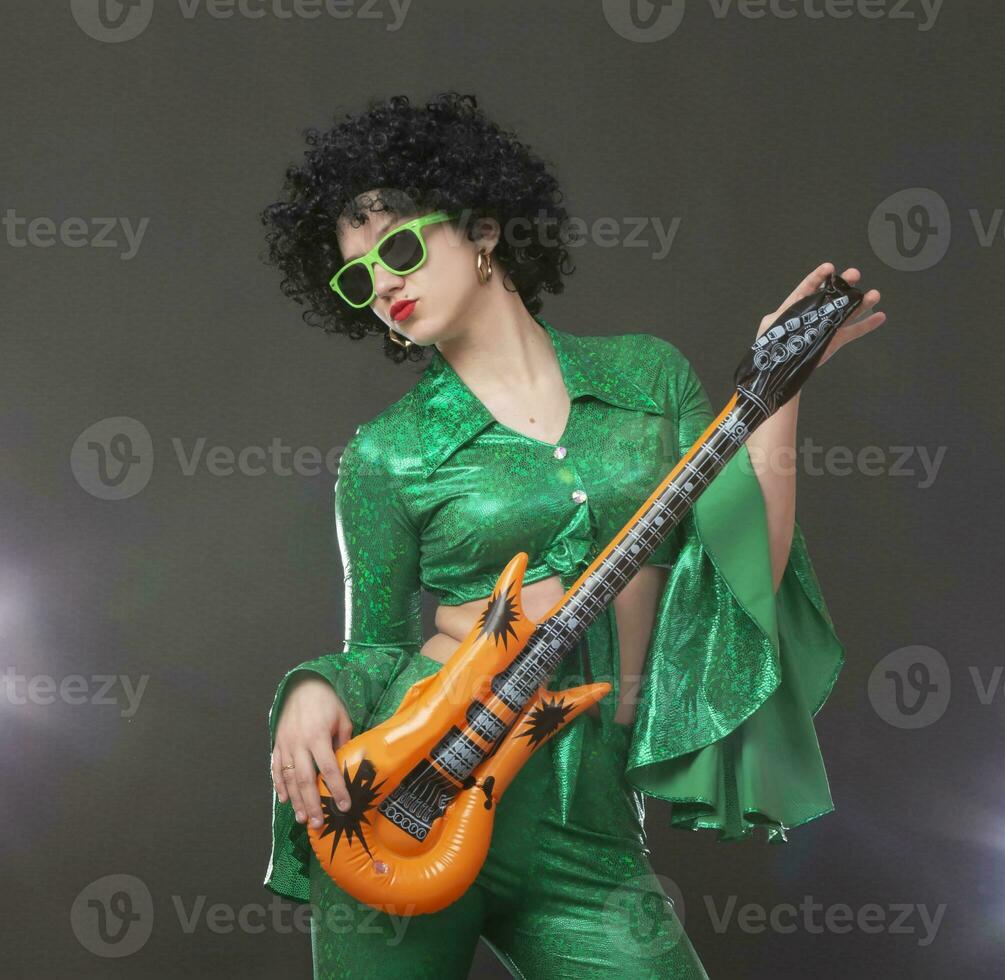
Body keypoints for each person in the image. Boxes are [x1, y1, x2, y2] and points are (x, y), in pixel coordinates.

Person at [258, 91, 886, 978]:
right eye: (358, 277)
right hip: (404, 803)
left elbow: (747, 563)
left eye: (399, 247)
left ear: (481, 229)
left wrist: (777, 396)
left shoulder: (647, 376)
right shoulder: (385, 454)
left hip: (587, 819)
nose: (384, 284)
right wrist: (312, 689)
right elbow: (378, 648)